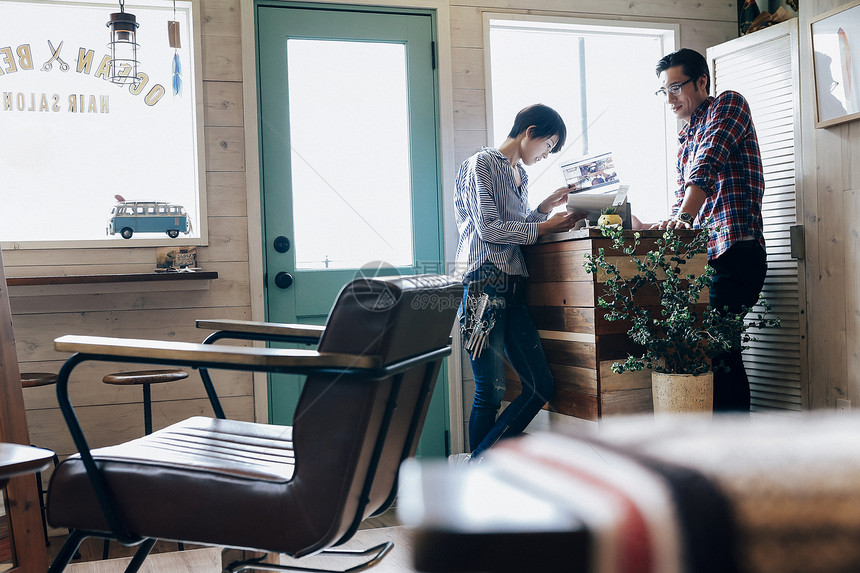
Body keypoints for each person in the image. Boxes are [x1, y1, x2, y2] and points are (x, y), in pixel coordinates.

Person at [454, 103, 581, 459]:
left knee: (540, 386)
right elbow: (490, 229)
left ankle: (477, 468)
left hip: (513, 286)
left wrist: (543, 208)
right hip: (484, 283)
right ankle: (479, 481)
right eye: (548, 145)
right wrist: (544, 226)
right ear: (530, 132)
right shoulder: (481, 164)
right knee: (489, 392)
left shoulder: (519, 176)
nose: (546, 155)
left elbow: (518, 226)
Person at [649, 48, 766, 412]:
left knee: (719, 351)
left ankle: (733, 452)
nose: (669, 99)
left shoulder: (728, 105)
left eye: (675, 87)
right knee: (717, 352)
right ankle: (727, 452)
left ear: (701, 81)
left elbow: (708, 162)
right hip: (707, 259)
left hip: (736, 252)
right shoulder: (685, 137)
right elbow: (681, 200)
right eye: (663, 91)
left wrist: (683, 216)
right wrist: (656, 224)